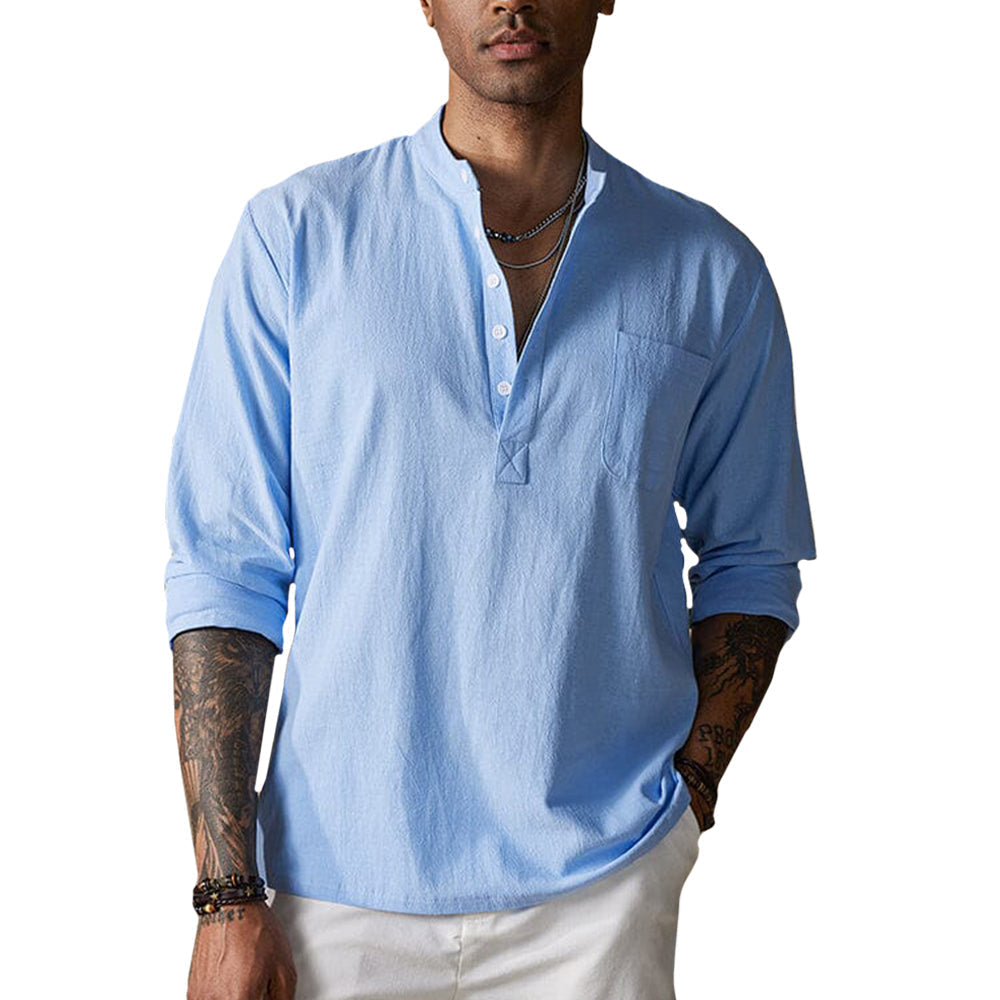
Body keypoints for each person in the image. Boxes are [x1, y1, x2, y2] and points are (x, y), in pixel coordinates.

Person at [165, 2, 817, 998]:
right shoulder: (297, 235)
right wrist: (225, 894)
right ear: (425, 3)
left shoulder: (708, 268)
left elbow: (754, 558)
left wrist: (685, 802)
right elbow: (224, 569)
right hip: (331, 890)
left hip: (601, 893)